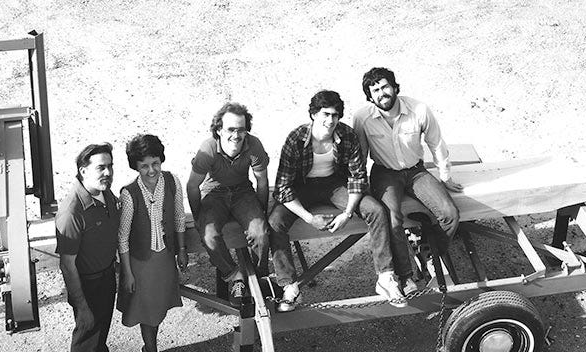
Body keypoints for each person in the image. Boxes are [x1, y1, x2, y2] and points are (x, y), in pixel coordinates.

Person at [269, 89, 406, 312]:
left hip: (334, 184)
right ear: (313, 114)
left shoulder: (347, 135)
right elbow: (283, 187)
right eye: (325, 114)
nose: (330, 120)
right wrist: (309, 218)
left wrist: (348, 213)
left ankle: (386, 276)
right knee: (275, 222)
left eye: (335, 115)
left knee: (376, 210)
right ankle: (289, 286)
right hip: (301, 187)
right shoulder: (296, 138)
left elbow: (357, 177)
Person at [353, 67, 463, 295]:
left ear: (395, 87)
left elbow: (436, 142)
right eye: (375, 90)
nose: (381, 93)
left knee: (449, 213)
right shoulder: (362, 118)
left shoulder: (418, 109)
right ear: (369, 96)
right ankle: (406, 276)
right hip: (384, 173)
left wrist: (445, 176)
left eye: (385, 87)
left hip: (416, 171)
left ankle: (430, 254)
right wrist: (359, 190)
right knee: (393, 220)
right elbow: (360, 156)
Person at [55, 143, 135, 352]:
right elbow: (67, 264)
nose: (108, 172)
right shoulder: (72, 210)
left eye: (110, 166)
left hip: (105, 275)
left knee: (101, 327)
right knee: (87, 330)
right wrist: (81, 303)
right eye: (100, 167)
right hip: (86, 282)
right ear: (83, 170)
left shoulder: (104, 193)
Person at [118, 134, 188, 352]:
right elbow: (123, 237)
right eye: (144, 165)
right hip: (140, 263)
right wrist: (127, 273)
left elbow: (179, 217)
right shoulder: (129, 194)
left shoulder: (171, 182)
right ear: (136, 166)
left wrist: (181, 249)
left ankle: (151, 350)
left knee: (159, 309)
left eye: (155, 163)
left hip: (165, 258)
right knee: (149, 312)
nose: (151, 170)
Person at [187, 102, 270, 301]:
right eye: (230, 129)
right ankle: (234, 276)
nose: (236, 135)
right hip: (214, 193)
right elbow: (192, 186)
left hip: (243, 192)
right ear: (218, 129)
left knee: (260, 232)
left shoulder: (254, 145)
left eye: (241, 130)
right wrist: (200, 218)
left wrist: (261, 212)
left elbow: (262, 181)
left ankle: (259, 277)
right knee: (209, 235)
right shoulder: (208, 149)